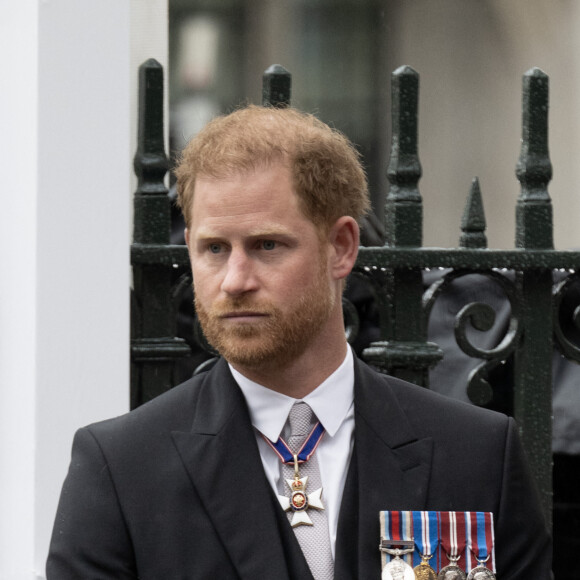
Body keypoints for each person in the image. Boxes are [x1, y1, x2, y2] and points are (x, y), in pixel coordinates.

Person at [46, 105, 552, 579]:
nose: (235, 279)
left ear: (341, 248)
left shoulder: (476, 454)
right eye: (214, 248)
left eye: (267, 245)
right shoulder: (120, 468)